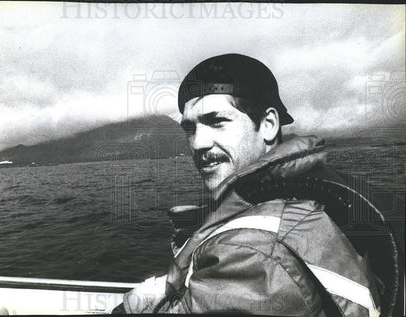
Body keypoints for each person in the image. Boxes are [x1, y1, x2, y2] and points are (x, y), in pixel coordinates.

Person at [119, 54, 400, 315]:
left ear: (267, 124)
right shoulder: (298, 191)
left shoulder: (250, 251)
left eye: (216, 121)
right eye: (190, 128)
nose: (198, 143)